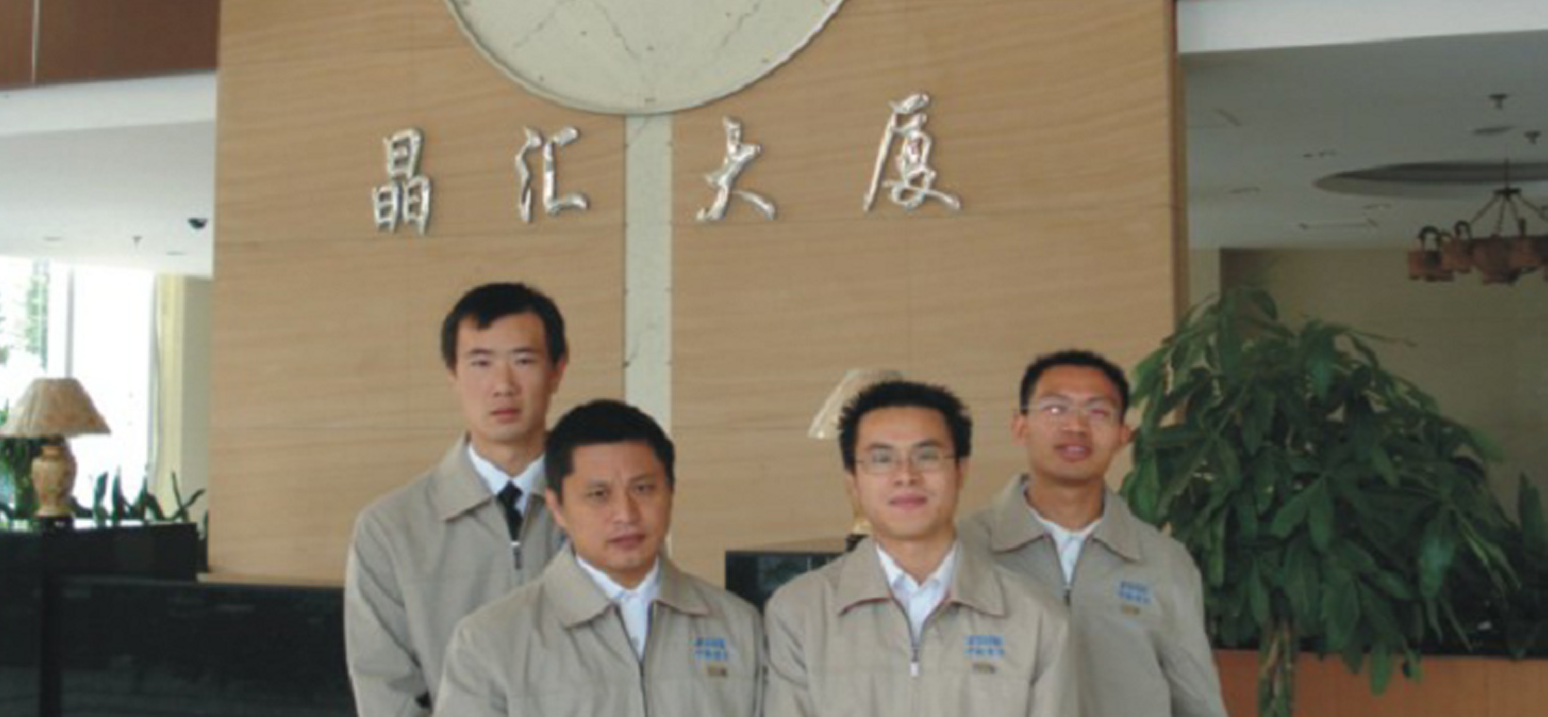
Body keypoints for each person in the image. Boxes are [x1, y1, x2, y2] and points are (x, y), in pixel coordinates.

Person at [766, 380, 1076, 717]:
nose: (906, 475)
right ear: (852, 480)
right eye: (881, 459)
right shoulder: (800, 613)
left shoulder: (1037, 619)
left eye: (926, 456)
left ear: (960, 470)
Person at [435, 399, 764, 717]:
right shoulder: (490, 640)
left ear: (671, 492)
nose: (625, 514)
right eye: (598, 495)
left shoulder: (737, 625)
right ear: (557, 508)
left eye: (643, 489)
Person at [345, 282, 571, 716]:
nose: (503, 385)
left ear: (557, 369)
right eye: (481, 363)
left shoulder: (606, 512)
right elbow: (386, 693)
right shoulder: (390, 528)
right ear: (452, 374)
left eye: (523, 361)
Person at [961, 349, 1226, 717]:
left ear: (1122, 435)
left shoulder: (1162, 559)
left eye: (1098, 412)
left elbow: (1197, 701)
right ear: (1020, 425)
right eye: (1055, 408)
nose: (1076, 426)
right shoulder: (964, 550)